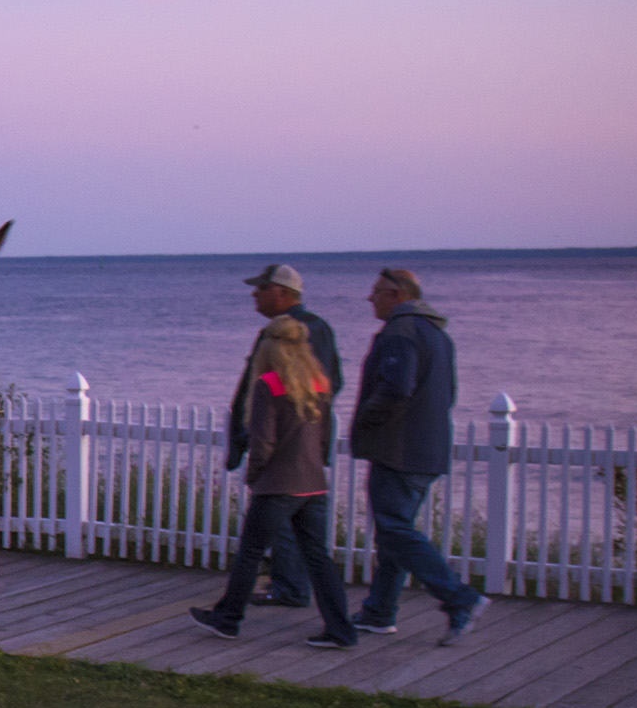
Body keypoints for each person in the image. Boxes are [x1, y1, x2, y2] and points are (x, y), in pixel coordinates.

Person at [188, 315, 355, 650]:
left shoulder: (269, 385)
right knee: (318, 556)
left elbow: (263, 440)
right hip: (313, 483)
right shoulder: (319, 384)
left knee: (250, 552)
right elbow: (324, 437)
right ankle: (341, 628)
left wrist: (254, 473)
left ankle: (228, 619)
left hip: (279, 483)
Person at [351, 266, 486, 646]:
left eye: (376, 291)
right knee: (395, 532)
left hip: (399, 449)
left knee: (394, 530)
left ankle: (460, 598)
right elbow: (449, 392)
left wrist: (366, 420)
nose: (369, 298)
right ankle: (379, 611)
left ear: (397, 294)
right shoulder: (438, 335)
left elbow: (396, 390)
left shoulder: (401, 331)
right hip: (427, 448)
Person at [225, 264, 346, 609]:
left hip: (286, 446)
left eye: (261, 288)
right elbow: (329, 382)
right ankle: (299, 592)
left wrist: (272, 435)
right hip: (301, 447)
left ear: (282, 292)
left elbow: (312, 388)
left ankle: (277, 592)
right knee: (303, 535)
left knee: (268, 532)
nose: (254, 295)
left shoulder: (296, 333)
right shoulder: (306, 329)